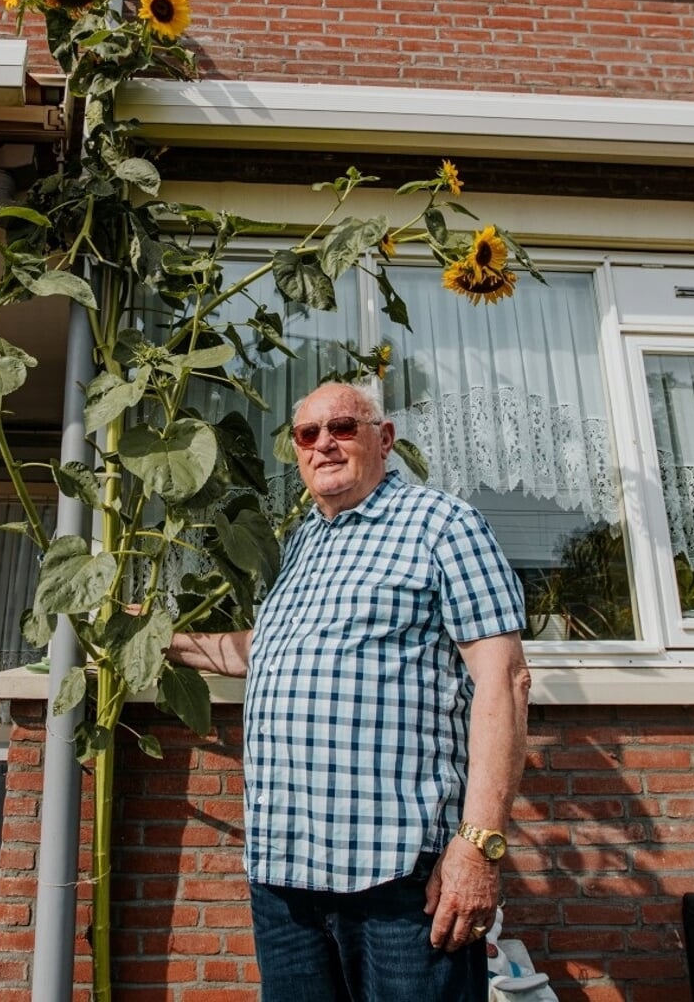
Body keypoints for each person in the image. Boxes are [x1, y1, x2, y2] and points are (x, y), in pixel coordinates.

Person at [169, 379, 532, 1002]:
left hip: (396, 878)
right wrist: (156, 638)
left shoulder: (442, 525)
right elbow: (268, 650)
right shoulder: (305, 542)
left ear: (383, 439)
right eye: (308, 434)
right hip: (284, 873)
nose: (323, 445)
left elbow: (505, 680)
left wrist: (478, 849)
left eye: (343, 427)